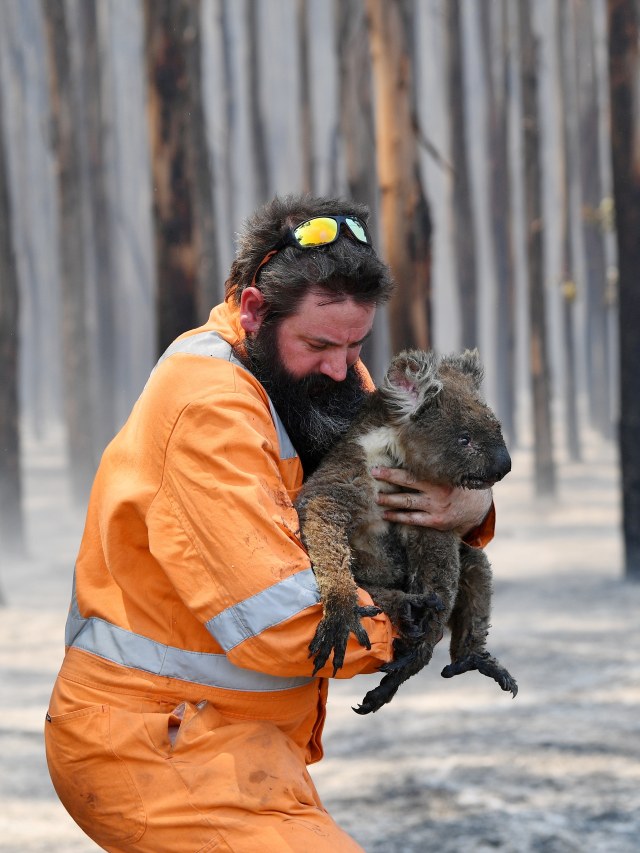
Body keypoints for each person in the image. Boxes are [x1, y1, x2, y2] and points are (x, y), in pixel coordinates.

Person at [45, 194, 494, 852]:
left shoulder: (312, 373)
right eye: (320, 343)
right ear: (255, 310)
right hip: (153, 746)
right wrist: (413, 619)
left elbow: (408, 480)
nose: (346, 368)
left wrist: (472, 509)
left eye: (356, 343)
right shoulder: (209, 408)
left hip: (237, 743)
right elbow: (280, 620)